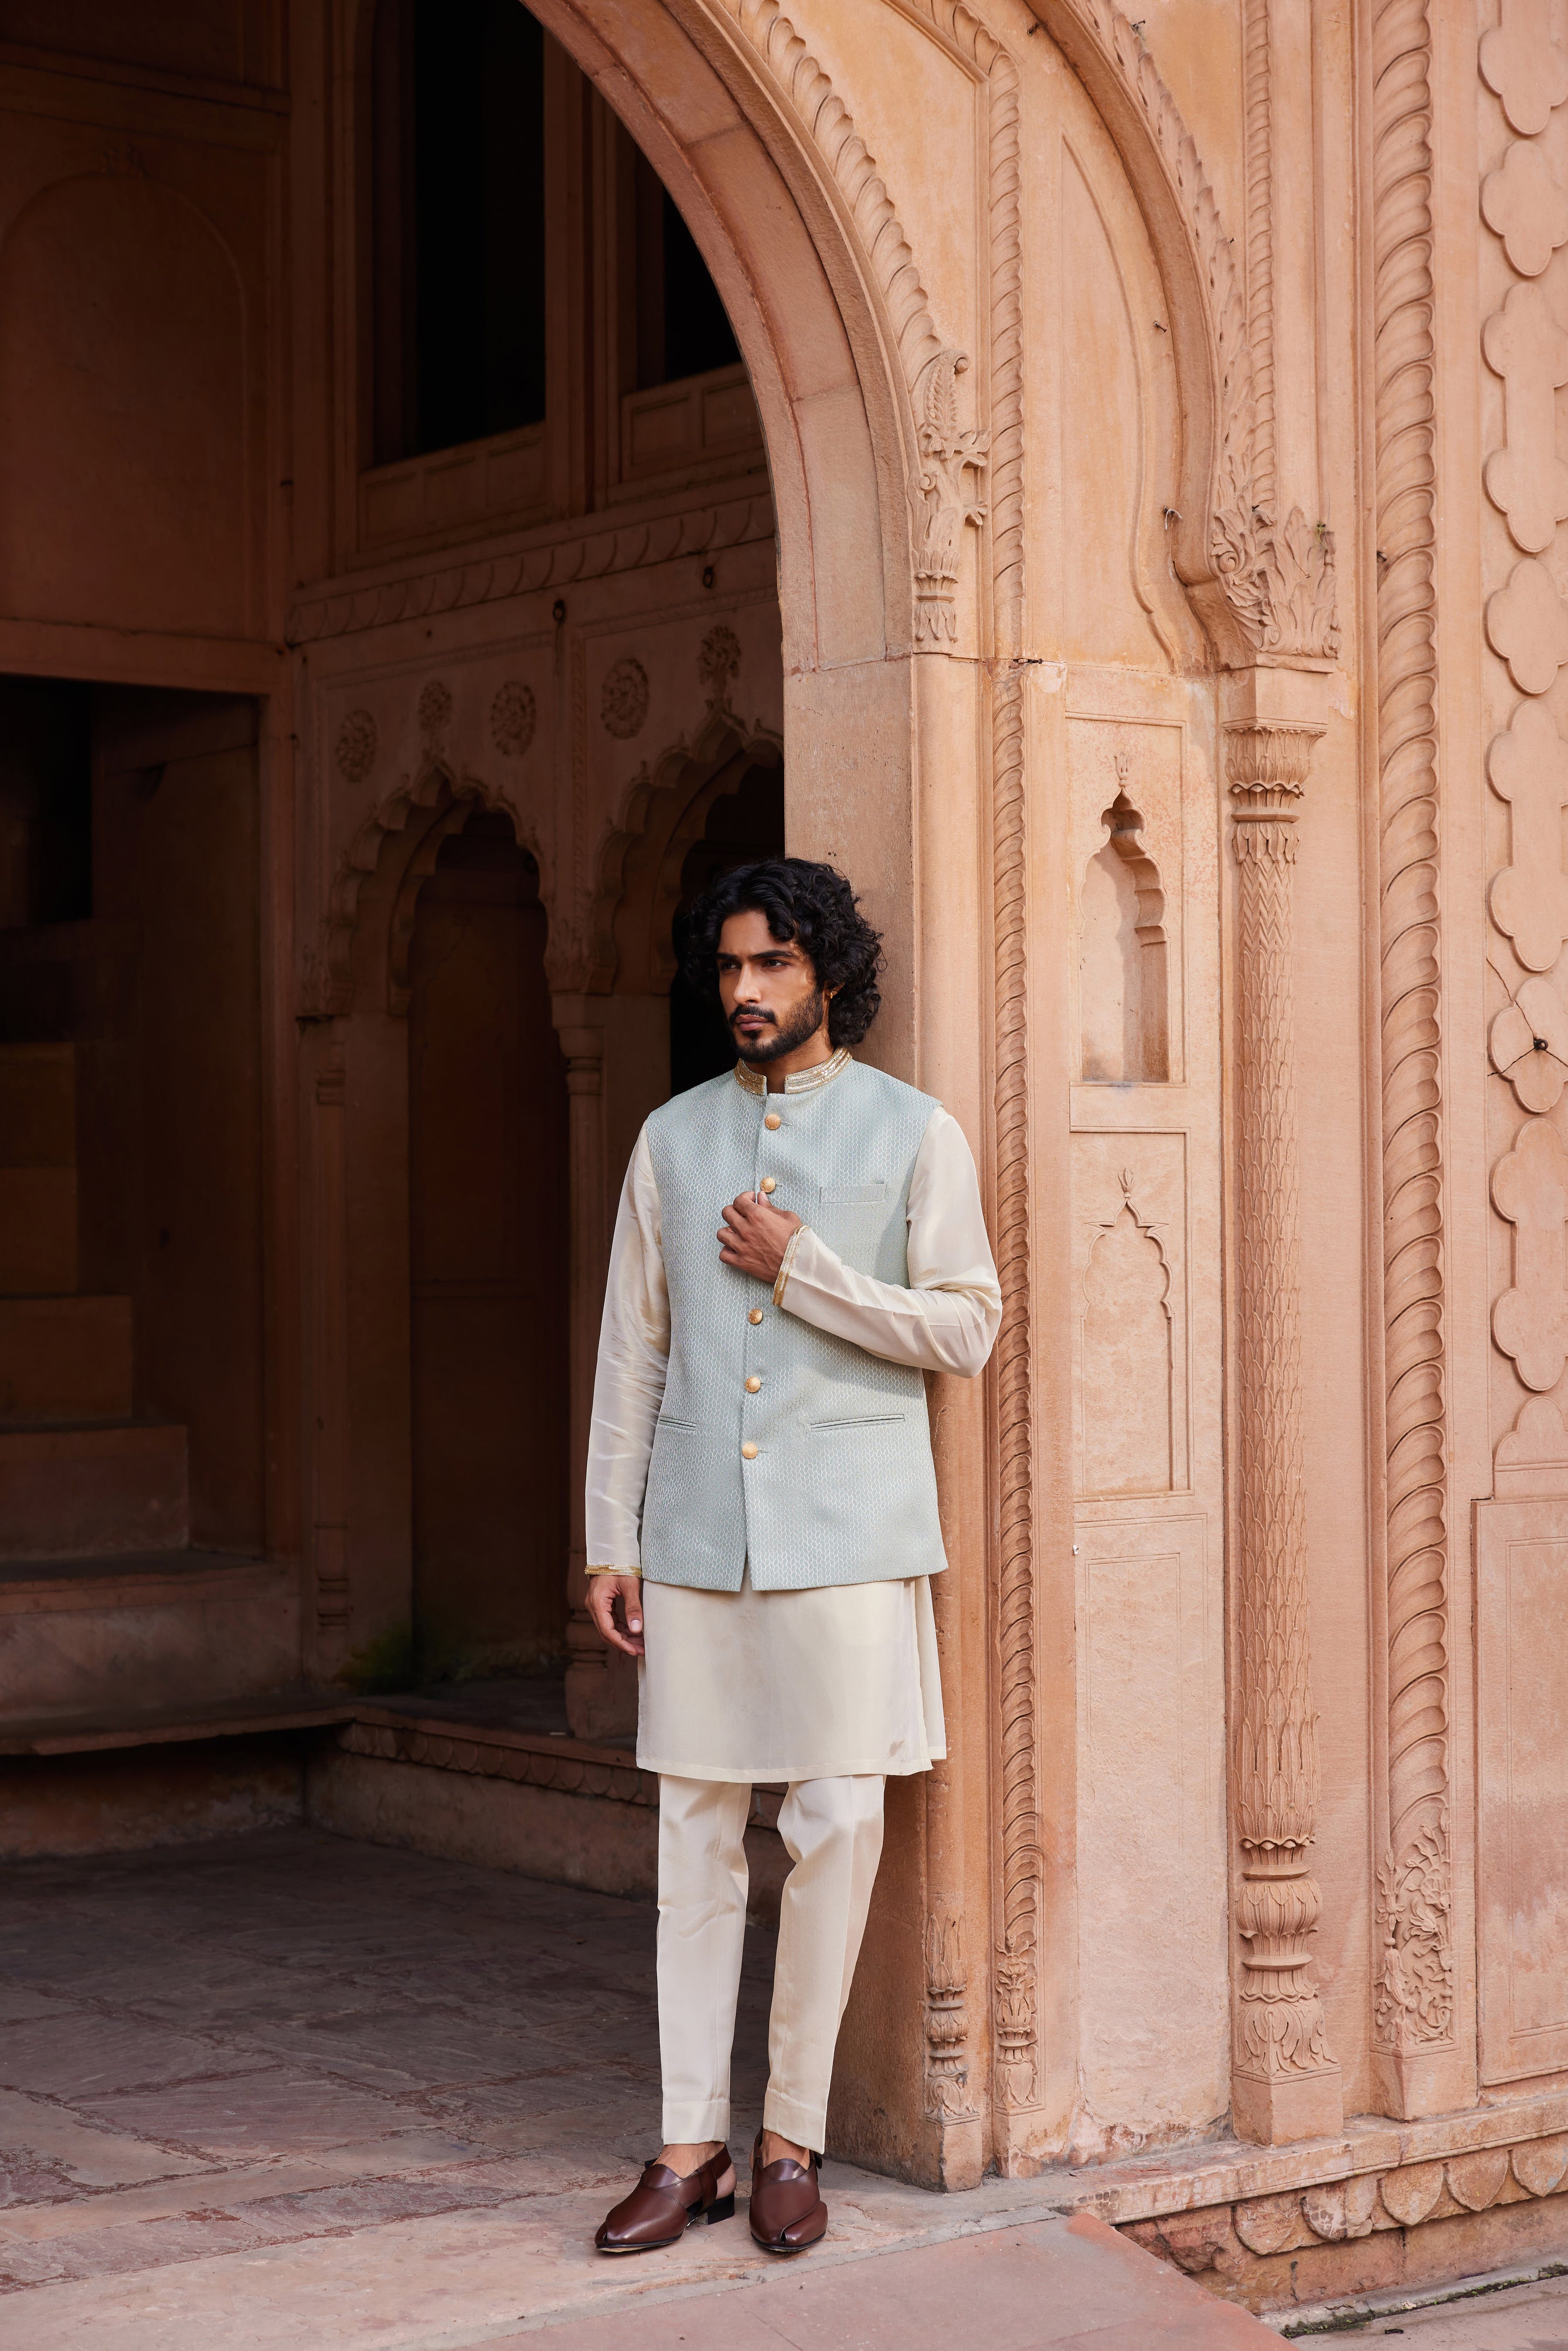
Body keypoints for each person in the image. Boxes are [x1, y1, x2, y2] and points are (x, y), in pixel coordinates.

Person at [586, 857, 1001, 2257]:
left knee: (834, 1830)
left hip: (851, 1543)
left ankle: (789, 2140)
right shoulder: (672, 1138)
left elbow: (966, 1327)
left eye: (771, 964)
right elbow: (633, 1349)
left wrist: (805, 1262)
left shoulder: (913, 1132)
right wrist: (610, 1535)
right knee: (694, 1834)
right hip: (698, 1533)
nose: (746, 991)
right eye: (728, 968)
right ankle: (689, 2141)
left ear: (827, 970)